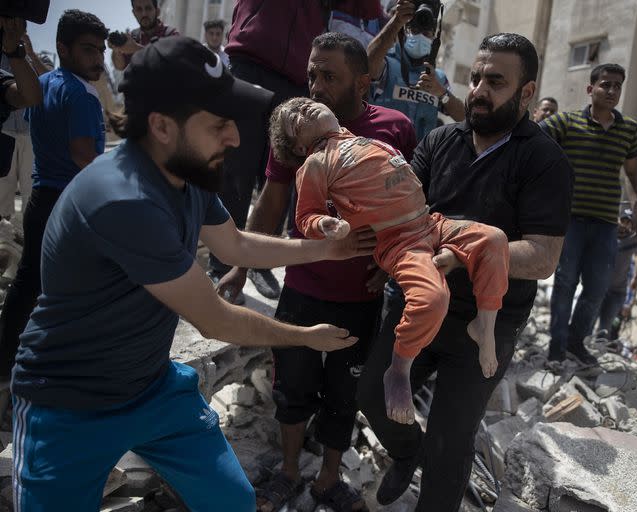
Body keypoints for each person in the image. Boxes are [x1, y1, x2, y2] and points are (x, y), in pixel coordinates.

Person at [10, 36, 373, 512]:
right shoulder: (123, 199)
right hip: (68, 404)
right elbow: (216, 320)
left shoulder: (186, 172)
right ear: (161, 125)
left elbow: (235, 244)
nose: (236, 138)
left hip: (152, 387)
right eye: (219, 123)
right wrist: (306, 337)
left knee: (233, 502)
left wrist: (328, 248)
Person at [356, 33, 572, 511]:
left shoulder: (544, 160)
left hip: (484, 326)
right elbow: (404, 211)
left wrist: (467, 252)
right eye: (475, 78)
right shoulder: (439, 140)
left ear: (527, 92)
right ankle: (405, 450)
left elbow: (543, 255)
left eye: (495, 81)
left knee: (450, 444)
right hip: (416, 302)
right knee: (373, 394)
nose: (478, 90)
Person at [216, 32, 416, 512]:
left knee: (344, 395)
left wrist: (393, 270)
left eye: (330, 76)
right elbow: (272, 202)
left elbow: (412, 206)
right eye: (311, 74)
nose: (315, 86)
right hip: (302, 290)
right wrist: (241, 268)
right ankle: (287, 470)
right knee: (292, 387)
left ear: (362, 84)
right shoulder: (293, 128)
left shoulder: (395, 128)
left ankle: (329, 478)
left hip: (360, 300)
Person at [273, 96, 509, 381]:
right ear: (299, 146)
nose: (303, 108)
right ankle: (399, 368)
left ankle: (484, 324)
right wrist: (326, 224)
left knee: (495, 238)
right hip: (400, 243)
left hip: (430, 223)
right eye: (295, 118)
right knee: (433, 299)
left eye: (302, 103)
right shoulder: (316, 162)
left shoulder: (362, 140)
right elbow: (306, 216)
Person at [211, 0, 383, 302]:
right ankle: (222, 262)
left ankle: (261, 261)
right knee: (236, 168)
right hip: (248, 62)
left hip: (297, 77)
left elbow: (367, 9)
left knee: (281, 174)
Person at [0, 10, 108, 377]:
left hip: (40, 200)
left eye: (100, 51)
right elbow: (82, 154)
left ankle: (7, 364)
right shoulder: (81, 94)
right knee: (70, 290)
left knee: (29, 285)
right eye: (88, 50)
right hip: (69, 204)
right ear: (63, 48)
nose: (98, 59)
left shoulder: (44, 84)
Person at [540, 63, 637, 365]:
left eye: (617, 86)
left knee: (598, 287)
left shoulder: (629, 129)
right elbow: (533, 139)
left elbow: (634, 175)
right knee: (565, 284)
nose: (612, 91)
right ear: (591, 88)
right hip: (569, 220)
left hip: (605, 223)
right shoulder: (566, 123)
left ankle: (576, 341)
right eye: (605, 84)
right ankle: (557, 348)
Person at [367, 0, 464, 140]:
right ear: (405, 31)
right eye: (415, 30)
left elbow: (464, 118)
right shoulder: (386, 64)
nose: (420, 36)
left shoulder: (438, 78)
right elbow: (367, 66)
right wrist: (396, 22)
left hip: (418, 159)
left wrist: (442, 93)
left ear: (433, 36)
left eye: (426, 33)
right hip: (383, 154)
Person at [0, 23, 46, 220]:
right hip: (5, 131)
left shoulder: (36, 58)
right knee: (3, 189)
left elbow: (47, 81)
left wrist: (29, 54)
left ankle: (27, 236)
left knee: (30, 188)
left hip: (29, 133)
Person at [594, 209, 637, 340]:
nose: (625, 225)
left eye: (629, 222)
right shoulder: (607, 235)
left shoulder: (635, 240)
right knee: (588, 322)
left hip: (618, 291)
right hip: (598, 288)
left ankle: (599, 348)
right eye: (623, 220)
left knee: (607, 326)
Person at [110, 0, 180, 71]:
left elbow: (173, 64)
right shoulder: (133, 37)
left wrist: (136, 49)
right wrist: (117, 49)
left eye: (148, 8)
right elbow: (120, 66)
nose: (144, 14)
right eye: (139, 9)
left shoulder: (171, 34)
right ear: (134, 13)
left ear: (157, 11)